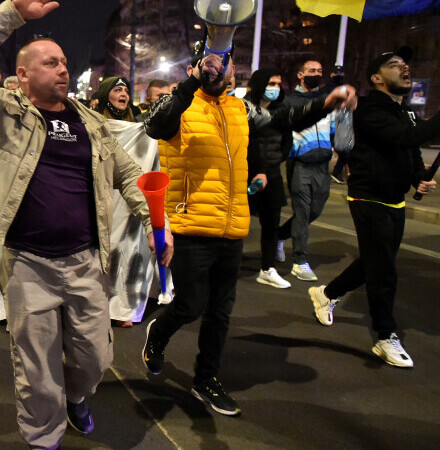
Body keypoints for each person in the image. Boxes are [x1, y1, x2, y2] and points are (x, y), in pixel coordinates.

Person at [0, 0, 172, 447]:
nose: (63, 69)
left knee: (94, 356)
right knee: (36, 369)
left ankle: (76, 395)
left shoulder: (91, 122)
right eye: (50, 63)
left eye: (65, 62)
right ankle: (43, 439)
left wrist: (154, 223)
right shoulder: (2, 113)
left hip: (87, 262)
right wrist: (13, 13)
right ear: (23, 75)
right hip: (28, 264)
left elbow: (128, 173)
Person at [142, 51, 355, 416]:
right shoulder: (177, 102)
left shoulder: (241, 109)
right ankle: (158, 334)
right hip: (191, 223)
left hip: (233, 224)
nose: (221, 70)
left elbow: (283, 119)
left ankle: (206, 380)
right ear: (195, 68)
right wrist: (195, 81)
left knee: (221, 311)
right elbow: (155, 126)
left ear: (234, 70)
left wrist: (326, 103)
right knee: (191, 305)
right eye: (211, 63)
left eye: (226, 64)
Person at [309, 46, 438, 368]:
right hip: (368, 198)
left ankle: (326, 293)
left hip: (395, 200)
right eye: (395, 65)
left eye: (406, 64)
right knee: (384, 271)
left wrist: (419, 177)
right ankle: (385, 336)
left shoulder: (404, 111)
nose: (404, 68)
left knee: (375, 261)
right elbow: (403, 137)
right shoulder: (368, 109)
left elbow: (409, 150)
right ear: (377, 78)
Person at [244, 69, 355, 289]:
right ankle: (224, 266)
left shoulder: (282, 110)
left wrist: (327, 103)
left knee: (271, 224)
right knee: (236, 224)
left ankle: (267, 268)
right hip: (245, 174)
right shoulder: (243, 109)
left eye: (277, 83)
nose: (275, 88)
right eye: (270, 83)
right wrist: (255, 170)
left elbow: (297, 122)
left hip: (271, 175)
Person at [277, 59, 335, 281]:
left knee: (315, 210)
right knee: (302, 211)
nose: (317, 74)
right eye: (312, 70)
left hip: (323, 164)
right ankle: (300, 261)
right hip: (300, 163)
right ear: (300, 75)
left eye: (320, 70)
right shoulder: (290, 100)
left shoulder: (326, 100)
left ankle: (280, 235)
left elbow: (331, 128)